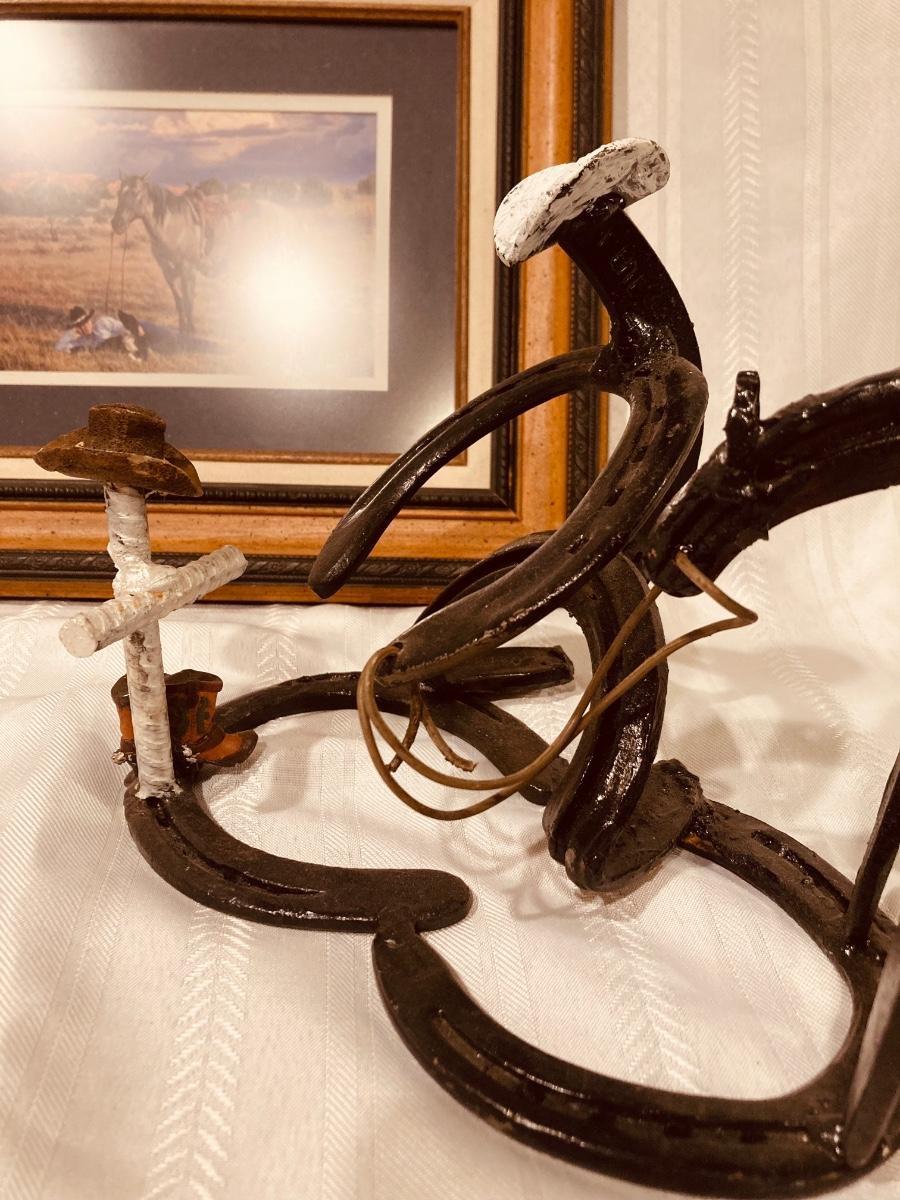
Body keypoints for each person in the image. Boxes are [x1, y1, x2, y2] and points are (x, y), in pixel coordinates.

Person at [54, 306, 136, 357]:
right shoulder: (83, 340)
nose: (85, 327)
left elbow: (127, 329)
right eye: (80, 326)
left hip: (130, 345)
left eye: (86, 322)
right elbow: (58, 348)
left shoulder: (103, 323)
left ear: (90, 319)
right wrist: (71, 332)